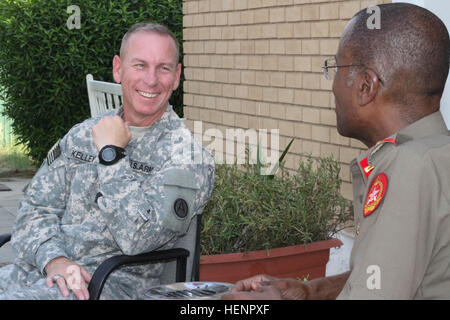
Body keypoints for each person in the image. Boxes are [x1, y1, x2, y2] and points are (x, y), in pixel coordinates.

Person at [223, 3, 450, 300]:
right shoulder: (435, 154)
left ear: (366, 86)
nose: (333, 87)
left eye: (336, 68)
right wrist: (311, 291)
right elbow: (388, 274)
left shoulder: (408, 169)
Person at [0, 22, 215, 300]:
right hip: (43, 272)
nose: (151, 80)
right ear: (118, 69)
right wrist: (54, 259)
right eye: (140, 65)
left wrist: (112, 156)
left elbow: (137, 238)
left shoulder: (188, 158)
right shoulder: (82, 135)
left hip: (109, 284)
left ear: (176, 76)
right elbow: (34, 208)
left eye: (163, 68)